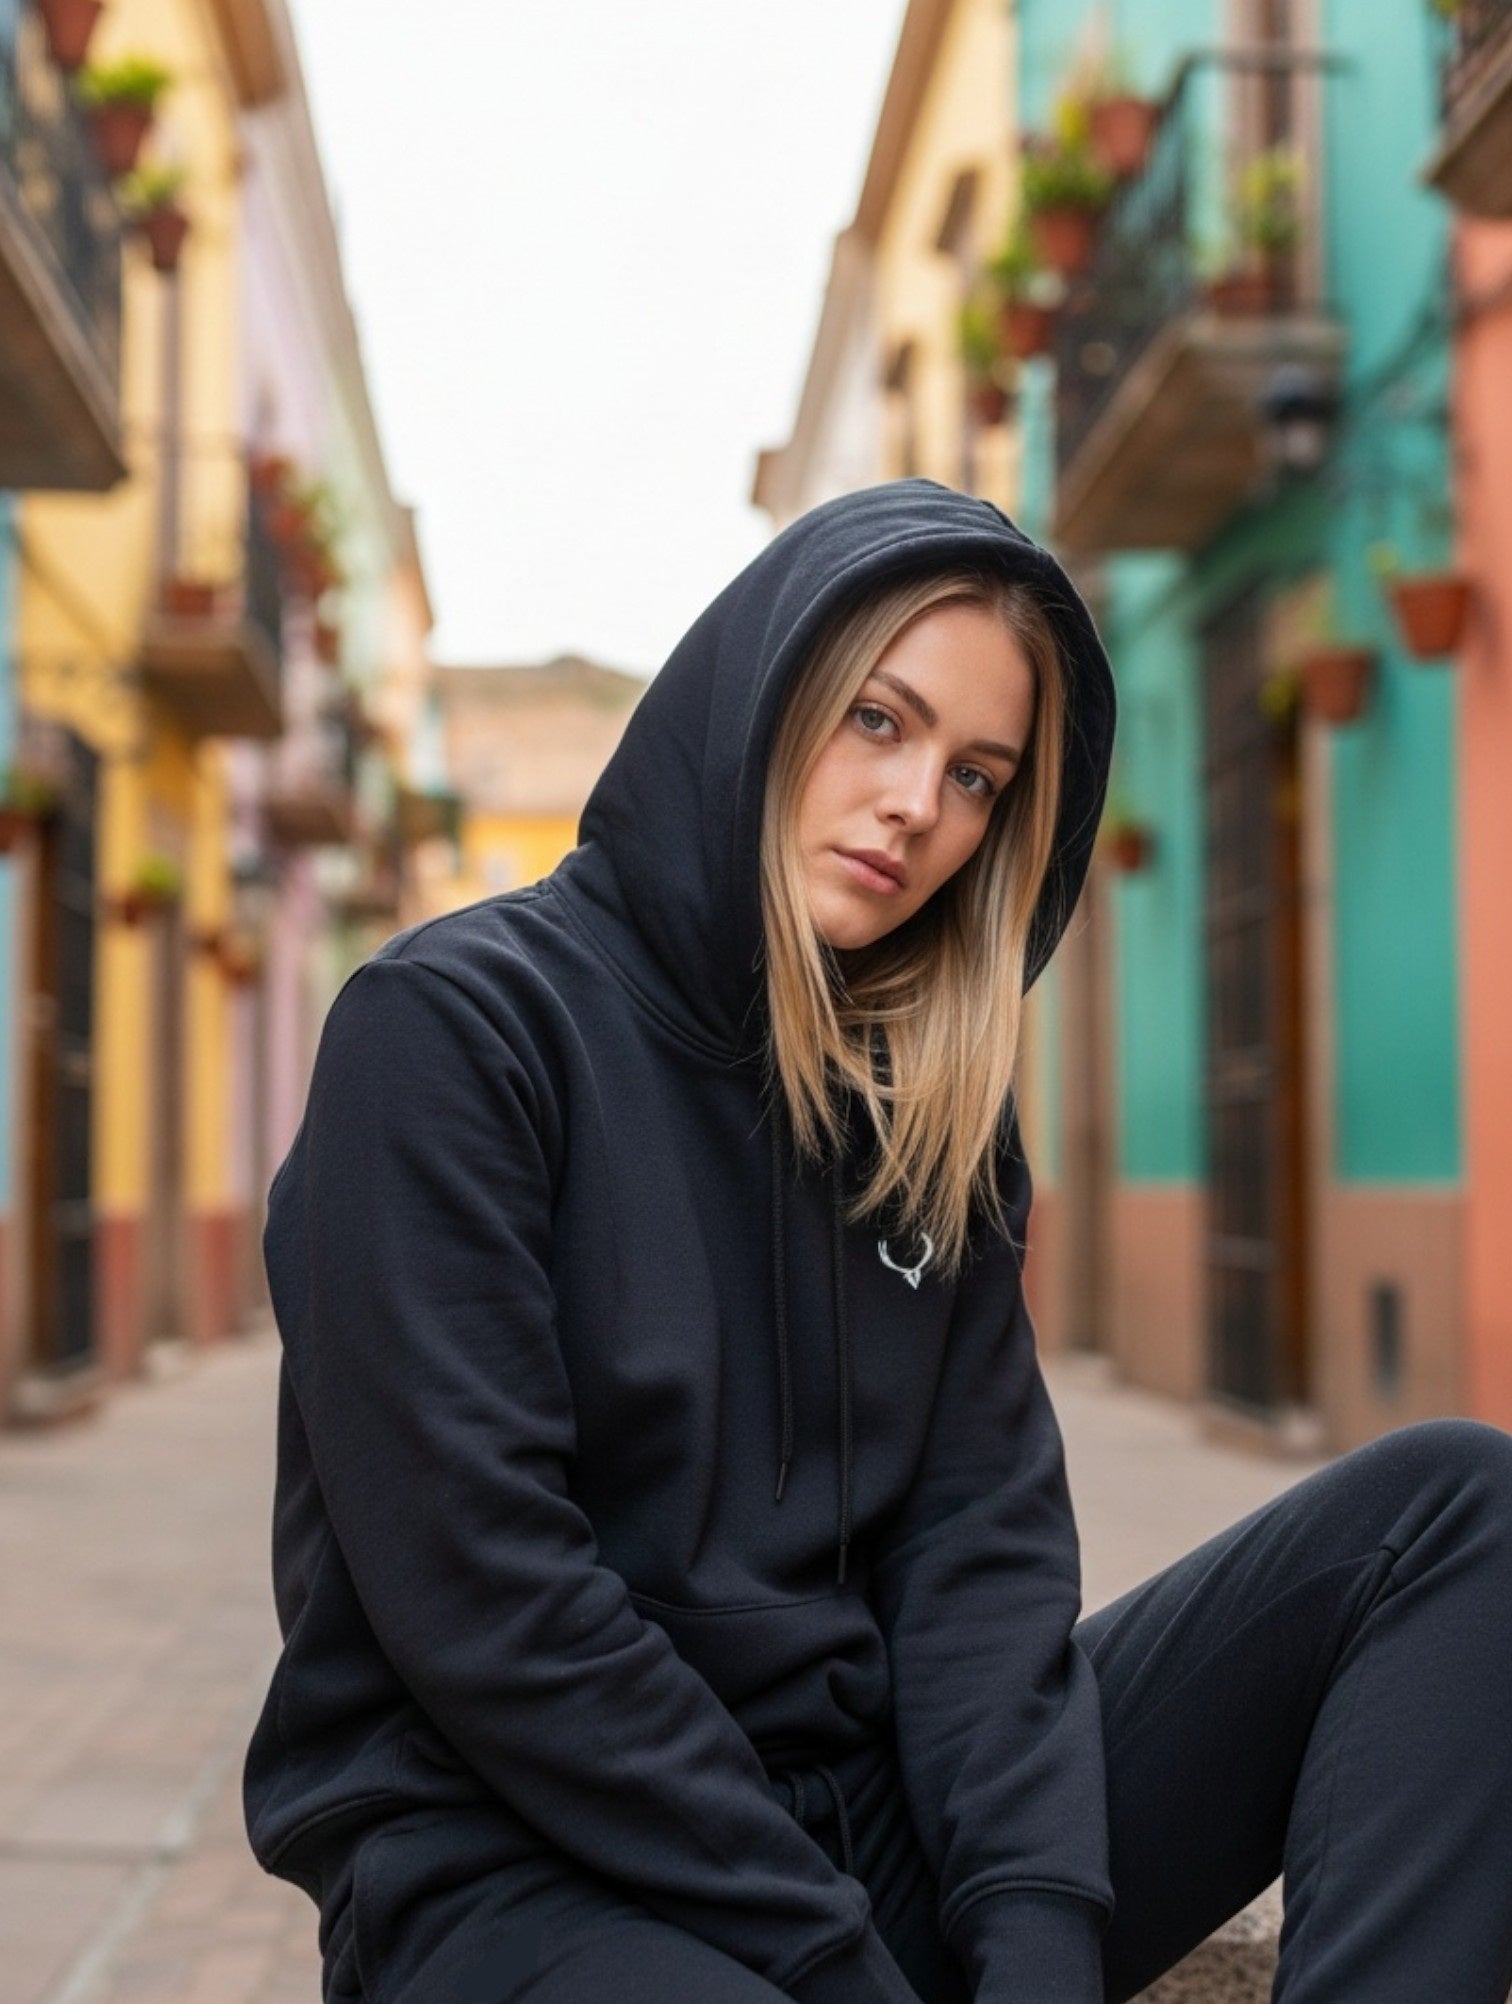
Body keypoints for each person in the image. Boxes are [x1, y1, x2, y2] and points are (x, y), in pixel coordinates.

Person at [244, 479, 1512, 2004]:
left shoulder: (929, 1105)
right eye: (879, 723)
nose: (923, 807)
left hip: (868, 1830)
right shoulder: (455, 1031)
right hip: (521, 1868)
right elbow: (490, 1603)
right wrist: (841, 1963)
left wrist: (1038, 1935)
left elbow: (978, 1557)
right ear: (766, 694)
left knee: (1459, 1513)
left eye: (980, 776)